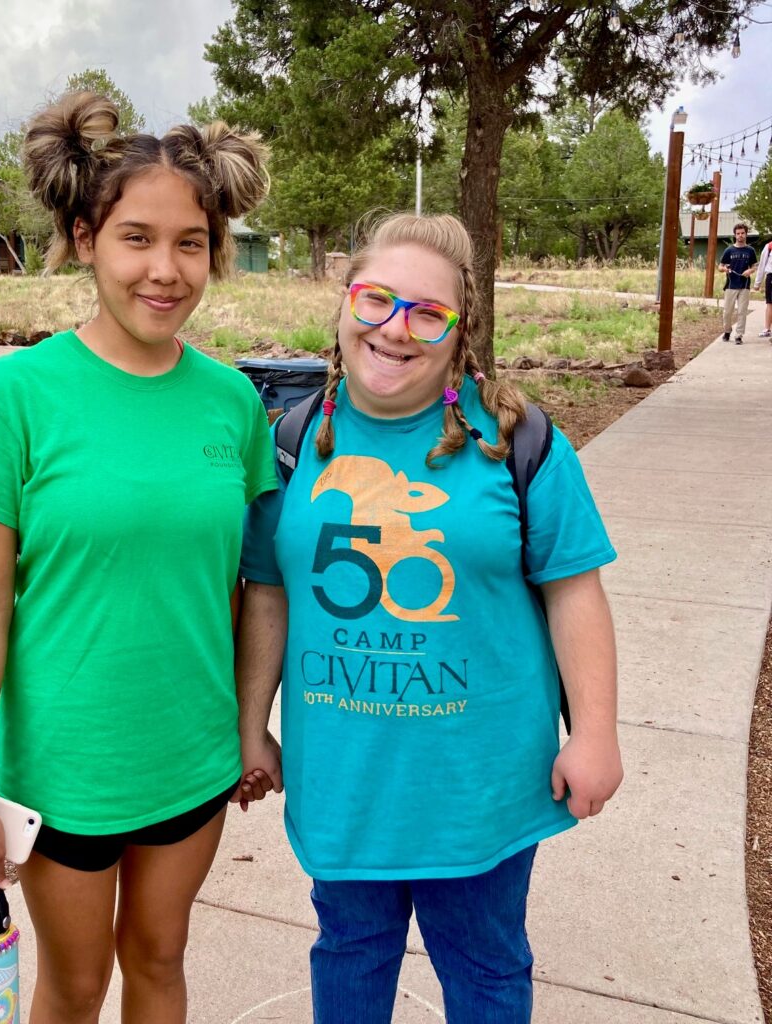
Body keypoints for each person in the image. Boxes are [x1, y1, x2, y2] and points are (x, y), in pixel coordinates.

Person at [0, 91, 276, 1024]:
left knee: (160, 961)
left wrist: (249, 728)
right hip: (66, 770)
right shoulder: (14, 397)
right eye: (136, 238)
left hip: (193, 760)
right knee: (76, 986)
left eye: (191, 242)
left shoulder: (232, 402)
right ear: (85, 238)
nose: (165, 271)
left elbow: (252, 589)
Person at [235, 213, 624, 1024]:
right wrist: (251, 725)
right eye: (376, 301)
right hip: (344, 777)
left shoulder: (515, 438)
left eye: (427, 313)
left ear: (461, 330)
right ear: (343, 304)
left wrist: (595, 734)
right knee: (349, 951)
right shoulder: (293, 440)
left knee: (485, 965)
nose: (396, 330)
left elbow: (574, 590)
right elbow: (268, 588)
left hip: (478, 785)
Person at [718, 222, 758, 344]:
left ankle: (739, 335)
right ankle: (727, 331)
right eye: (738, 233)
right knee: (727, 312)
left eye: (742, 233)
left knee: (742, 311)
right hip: (731, 285)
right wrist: (725, 269)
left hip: (744, 285)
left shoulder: (750, 250)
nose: (740, 235)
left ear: (746, 234)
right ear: (735, 235)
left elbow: (754, 266)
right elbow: (720, 266)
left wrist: (749, 270)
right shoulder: (729, 250)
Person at [755, 235, 772, 339]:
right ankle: (767, 329)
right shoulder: (769, 247)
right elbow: (762, 265)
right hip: (771, 276)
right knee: (770, 304)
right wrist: (757, 283)